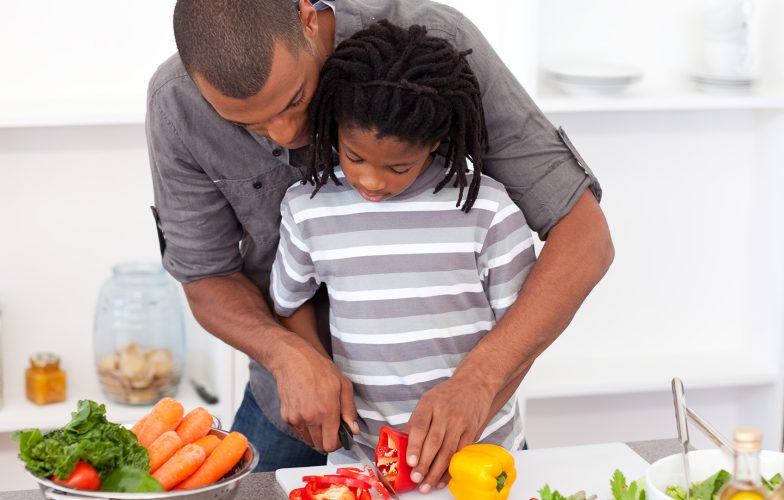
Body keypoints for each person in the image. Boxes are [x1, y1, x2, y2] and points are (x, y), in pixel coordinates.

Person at [147, 0, 613, 491]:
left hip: (460, 425)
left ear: (308, 18)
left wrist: (478, 383)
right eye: (249, 125)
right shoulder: (176, 104)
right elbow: (205, 278)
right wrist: (287, 354)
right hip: (288, 406)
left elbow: (584, 235)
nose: (287, 134)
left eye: (294, 99)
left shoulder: (434, 40)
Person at [269, 19, 537, 466]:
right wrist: (317, 368)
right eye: (354, 157)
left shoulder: (487, 211)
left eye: (398, 167)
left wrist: (475, 404)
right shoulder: (309, 208)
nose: (371, 181)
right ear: (333, 125)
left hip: (481, 457)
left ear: (435, 142)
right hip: (363, 462)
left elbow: (524, 335)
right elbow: (288, 302)